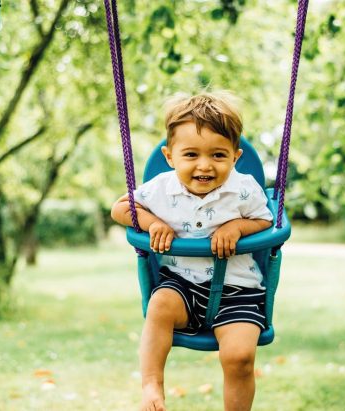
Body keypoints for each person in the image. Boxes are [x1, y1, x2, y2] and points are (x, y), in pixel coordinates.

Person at [111, 91, 273, 411]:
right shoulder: (160, 187)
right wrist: (151, 221)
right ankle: (152, 387)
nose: (204, 165)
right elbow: (119, 208)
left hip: (238, 291)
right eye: (191, 155)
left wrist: (237, 227)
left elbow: (265, 220)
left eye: (217, 155)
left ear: (235, 157)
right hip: (181, 286)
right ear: (170, 157)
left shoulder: (243, 189)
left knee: (240, 358)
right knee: (160, 305)